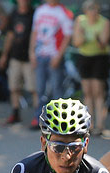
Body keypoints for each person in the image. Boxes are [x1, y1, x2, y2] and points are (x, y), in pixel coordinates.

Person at [29, 0, 73, 128]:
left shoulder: (63, 13)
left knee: (56, 88)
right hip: (40, 54)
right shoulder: (40, 10)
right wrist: (31, 51)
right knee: (39, 88)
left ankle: (57, 120)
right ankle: (38, 117)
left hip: (54, 55)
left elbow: (67, 36)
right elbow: (34, 31)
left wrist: (58, 56)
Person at [73, 0, 110, 135]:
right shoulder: (80, 21)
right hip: (85, 58)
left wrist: (96, 38)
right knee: (87, 91)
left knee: (98, 91)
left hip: (100, 58)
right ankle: (88, 124)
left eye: (94, 9)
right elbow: (76, 42)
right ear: (85, 10)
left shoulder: (104, 22)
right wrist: (82, 36)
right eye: (89, 9)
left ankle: (100, 125)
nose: (92, 12)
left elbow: (103, 43)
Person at [0, 0, 35, 125]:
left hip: (29, 57)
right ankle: (15, 112)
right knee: (14, 86)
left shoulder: (34, 14)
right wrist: (4, 55)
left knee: (32, 87)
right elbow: (10, 35)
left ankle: (37, 115)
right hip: (15, 55)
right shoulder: (13, 14)